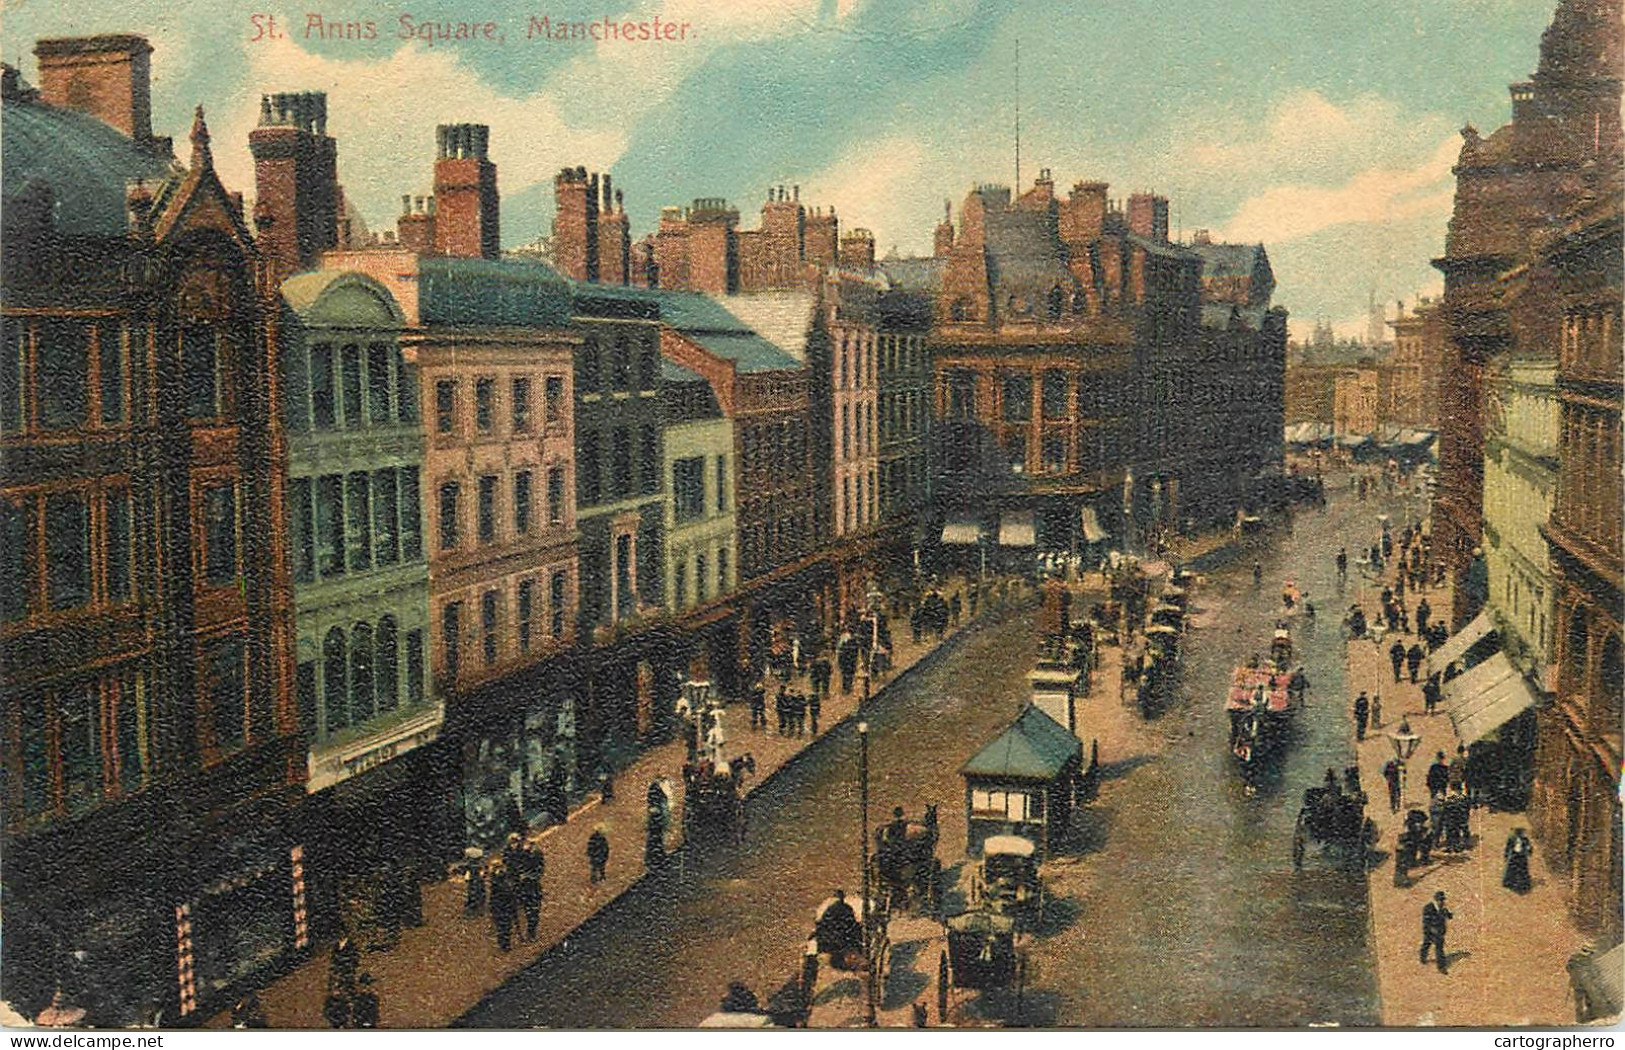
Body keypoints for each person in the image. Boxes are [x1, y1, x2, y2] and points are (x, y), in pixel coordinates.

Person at [815, 890, 864, 961]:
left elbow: (818, 922)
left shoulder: (825, 907)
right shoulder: (846, 908)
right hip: (840, 940)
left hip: (828, 939)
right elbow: (852, 924)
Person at [1420, 891, 1453, 973]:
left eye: (1442, 900)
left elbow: (1449, 916)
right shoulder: (1428, 908)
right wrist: (1431, 929)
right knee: (1426, 945)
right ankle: (1423, 958)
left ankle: (1441, 967)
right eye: (1439, 900)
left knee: (1439, 949)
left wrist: (1449, 914)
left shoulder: (1443, 909)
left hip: (1439, 933)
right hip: (1430, 932)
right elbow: (1426, 922)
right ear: (1435, 900)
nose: (1441, 902)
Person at [489, 860, 517, 952]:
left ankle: (504, 943)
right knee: (505, 926)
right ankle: (504, 944)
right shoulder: (499, 881)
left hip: (500, 906)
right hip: (502, 906)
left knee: (503, 926)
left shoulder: (496, 879)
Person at [1503, 828, 1534, 893]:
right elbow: (1508, 847)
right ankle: (1510, 883)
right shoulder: (1512, 839)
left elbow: (1529, 848)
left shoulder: (1525, 839)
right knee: (1512, 869)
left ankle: (1523, 885)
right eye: (1518, 832)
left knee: (1522, 870)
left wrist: (1529, 850)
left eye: (1521, 832)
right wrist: (1506, 855)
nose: (1520, 834)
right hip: (1514, 855)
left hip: (1522, 856)